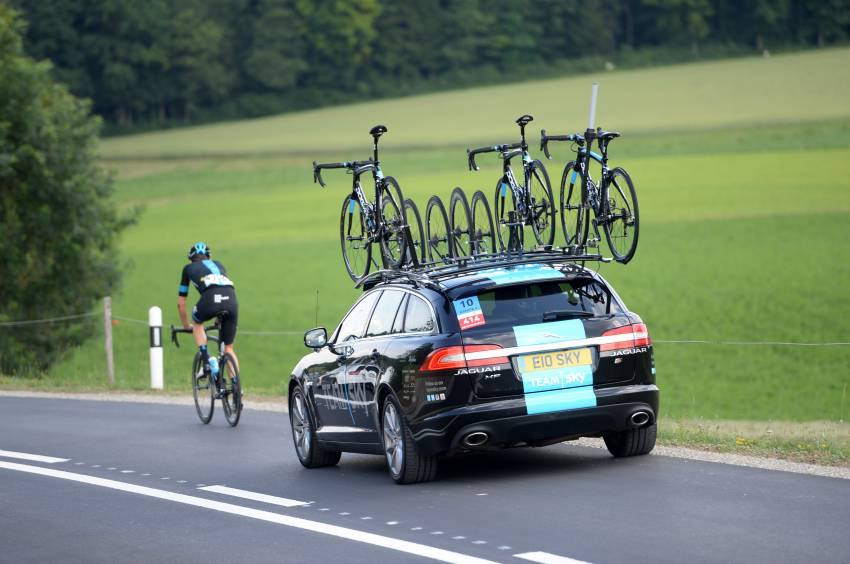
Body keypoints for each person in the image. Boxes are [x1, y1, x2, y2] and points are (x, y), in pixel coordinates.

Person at [177, 242, 239, 392]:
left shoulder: (188, 269)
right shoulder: (219, 265)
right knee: (228, 348)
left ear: (190, 258)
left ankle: (207, 359)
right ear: (209, 256)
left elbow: (181, 303)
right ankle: (236, 386)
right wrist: (219, 318)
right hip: (231, 300)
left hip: (210, 299)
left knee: (197, 323)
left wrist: (186, 326)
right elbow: (222, 289)